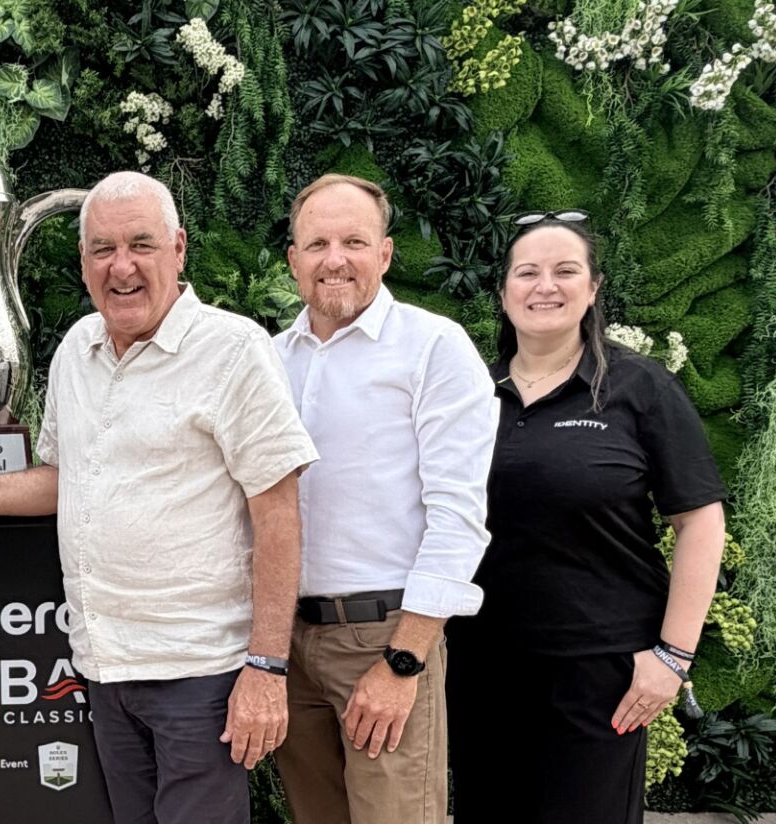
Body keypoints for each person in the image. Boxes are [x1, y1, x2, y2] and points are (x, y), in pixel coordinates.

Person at [0, 170, 318, 823]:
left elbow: (278, 512)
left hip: (199, 673)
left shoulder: (232, 350)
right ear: (84, 262)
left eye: (141, 244)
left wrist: (266, 667)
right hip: (105, 668)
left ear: (178, 249)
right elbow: (64, 478)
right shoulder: (75, 351)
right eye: (103, 249)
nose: (122, 267)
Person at [447, 211, 726, 823]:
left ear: (594, 288)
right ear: (504, 292)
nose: (545, 286)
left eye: (565, 271)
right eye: (527, 272)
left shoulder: (639, 388)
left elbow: (701, 523)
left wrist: (673, 657)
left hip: (601, 675)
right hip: (480, 667)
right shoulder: (470, 393)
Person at [271, 174, 496, 824]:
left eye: (354, 242)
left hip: (384, 638)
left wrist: (404, 660)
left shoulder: (433, 348)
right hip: (287, 644)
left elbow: (458, 518)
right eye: (317, 244)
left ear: (386, 253)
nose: (334, 259)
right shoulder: (268, 359)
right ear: (293, 260)